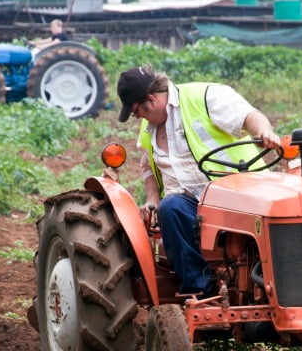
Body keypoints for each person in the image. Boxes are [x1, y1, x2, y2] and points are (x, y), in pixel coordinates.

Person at [116, 65, 280, 297]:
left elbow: (249, 116)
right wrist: (152, 199)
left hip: (239, 191)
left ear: (151, 100)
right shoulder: (148, 129)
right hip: (192, 203)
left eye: (136, 112)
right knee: (170, 208)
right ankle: (198, 292)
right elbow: (148, 167)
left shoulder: (204, 97)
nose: (138, 118)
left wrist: (264, 133)